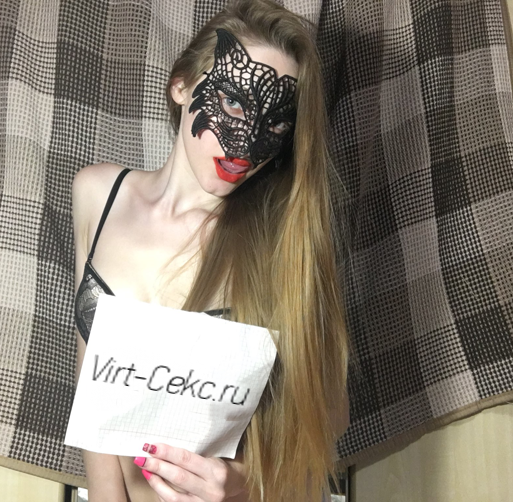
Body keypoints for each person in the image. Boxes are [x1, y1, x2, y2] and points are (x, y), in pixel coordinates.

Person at [72, 0, 350, 500]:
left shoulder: (283, 243)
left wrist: (247, 483)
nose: (245, 145)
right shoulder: (97, 194)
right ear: (181, 86)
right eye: (235, 106)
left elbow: (328, 421)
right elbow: (92, 373)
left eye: (275, 124)